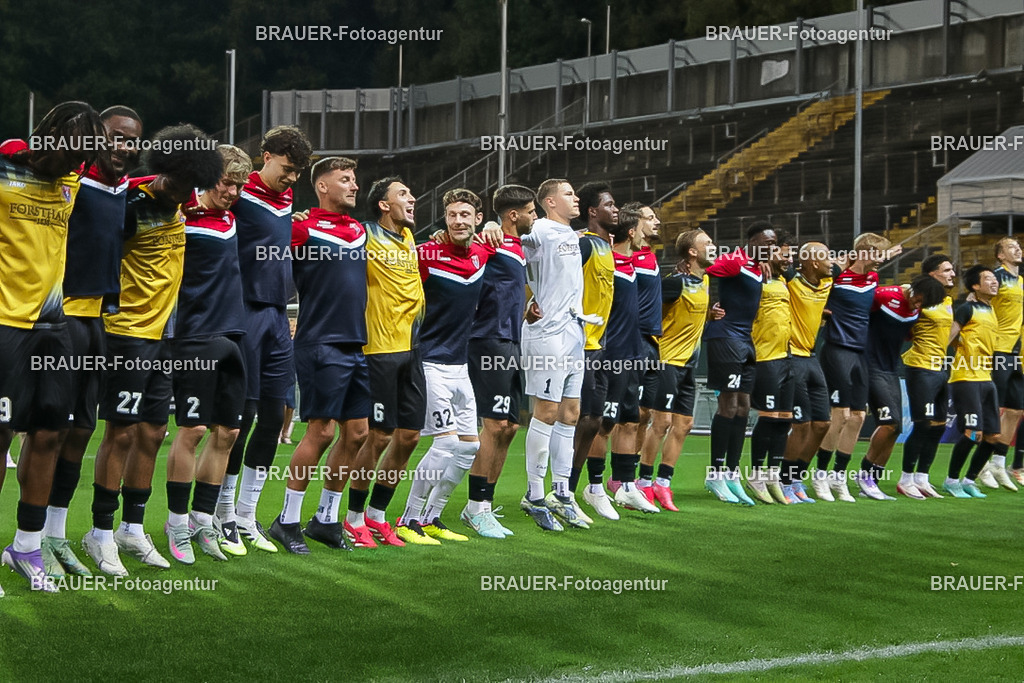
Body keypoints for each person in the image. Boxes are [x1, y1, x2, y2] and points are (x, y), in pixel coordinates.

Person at [82, 124, 222, 576]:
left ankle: (133, 527)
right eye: (180, 185)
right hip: (125, 334)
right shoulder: (131, 206)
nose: (186, 194)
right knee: (120, 433)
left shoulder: (182, 209)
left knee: (153, 434)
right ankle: (100, 532)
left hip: (164, 338)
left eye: (192, 188)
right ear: (163, 172)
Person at [0, 101, 106, 592]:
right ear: (51, 137)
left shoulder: (74, 180)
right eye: (75, 149)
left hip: (52, 326)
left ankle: (25, 546)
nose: (79, 162)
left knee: (48, 435)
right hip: (4, 326)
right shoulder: (5, 163)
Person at [41, 105, 142, 579]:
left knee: (81, 431)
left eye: (132, 140)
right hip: (58, 319)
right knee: (48, 433)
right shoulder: (71, 180)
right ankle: (30, 538)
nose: (125, 147)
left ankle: (57, 535)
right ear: (97, 137)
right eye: (117, 137)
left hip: (98, 323)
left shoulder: (125, 190)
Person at [218, 125, 312, 553]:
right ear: (266, 155)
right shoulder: (238, 194)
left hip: (279, 316)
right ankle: (221, 515)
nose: (292, 179)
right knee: (242, 417)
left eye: (298, 173)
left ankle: (246, 516)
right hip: (246, 312)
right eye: (288, 169)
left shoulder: (286, 198)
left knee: (274, 419)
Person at [268, 156, 368, 554]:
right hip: (319, 341)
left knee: (357, 433)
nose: (354, 185)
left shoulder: (359, 230)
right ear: (322, 186)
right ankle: (287, 520)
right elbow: (269, 259)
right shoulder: (300, 227)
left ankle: (326, 519)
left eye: (355, 179)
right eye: (345, 179)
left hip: (355, 342)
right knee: (322, 430)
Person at [163, 145, 252, 563]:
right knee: (194, 430)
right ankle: (176, 523)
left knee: (228, 433)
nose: (232, 190)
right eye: (225, 182)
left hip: (234, 334)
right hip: (194, 335)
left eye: (237, 184)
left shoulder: (232, 218)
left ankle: (202, 520)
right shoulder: (180, 214)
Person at [396, 188, 490, 545]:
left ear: (477, 219)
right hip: (429, 362)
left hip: (459, 365)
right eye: (452, 215)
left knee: (469, 448)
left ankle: (432, 516)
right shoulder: (426, 254)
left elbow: (512, 237)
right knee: (445, 445)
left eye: (465, 215)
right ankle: (408, 520)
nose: (458, 221)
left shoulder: (483, 252)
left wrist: (496, 226)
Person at [341, 177, 425, 548]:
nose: (412, 198)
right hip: (378, 350)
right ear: (383, 205)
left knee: (409, 436)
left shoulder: (410, 239)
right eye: (403, 194)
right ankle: (352, 518)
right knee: (378, 436)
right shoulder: (365, 235)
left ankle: (377, 516)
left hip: (412, 349)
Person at [461, 184, 536, 538]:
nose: (535, 217)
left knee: (509, 426)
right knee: (492, 426)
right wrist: (483, 227)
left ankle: (484, 504)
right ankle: (476, 508)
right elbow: (458, 249)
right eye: (531, 212)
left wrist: (527, 307)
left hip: (512, 341)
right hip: (486, 340)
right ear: (512, 215)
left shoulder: (519, 248)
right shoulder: (489, 242)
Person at [520, 179, 590, 531]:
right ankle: (534, 495)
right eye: (568, 193)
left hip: (574, 330)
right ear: (549, 201)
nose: (575, 198)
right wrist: (489, 226)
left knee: (571, 412)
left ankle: (562, 493)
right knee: (545, 411)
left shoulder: (568, 234)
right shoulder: (542, 230)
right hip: (546, 333)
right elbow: (514, 244)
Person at [637, 229, 721, 512]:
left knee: (683, 425)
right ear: (692, 252)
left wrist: (709, 315)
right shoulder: (673, 284)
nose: (713, 246)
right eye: (707, 243)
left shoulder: (706, 280)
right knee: (659, 424)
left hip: (689, 364)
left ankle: (663, 483)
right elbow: (651, 314)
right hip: (667, 362)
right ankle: (643, 483)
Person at [816, 233, 896, 502]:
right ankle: (820, 477)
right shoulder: (836, 277)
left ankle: (839, 477)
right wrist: (823, 312)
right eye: (878, 253)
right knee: (839, 415)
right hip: (837, 348)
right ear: (866, 252)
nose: (881, 258)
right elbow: (813, 296)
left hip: (860, 352)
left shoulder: (873, 278)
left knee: (858, 418)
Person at [590, 205, 658, 513]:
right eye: (643, 226)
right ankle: (594, 487)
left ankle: (626, 485)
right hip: (612, 354)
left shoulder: (631, 262)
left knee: (631, 419)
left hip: (634, 353)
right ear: (631, 232)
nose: (648, 231)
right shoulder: (607, 261)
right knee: (605, 423)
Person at [702, 222, 775, 505]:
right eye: (766, 242)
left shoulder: (758, 267)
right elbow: (702, 270)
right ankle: (715, 473)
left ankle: (732, 473)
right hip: (725, 338)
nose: (771, 247)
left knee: (744, 407)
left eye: (774, 243)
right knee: (729, 405)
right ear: (752, 241)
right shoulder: (734, 261)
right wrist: (707, 309)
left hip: (746, 341)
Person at [856, 275, 945, 500]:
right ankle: (864, 474)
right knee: (888, 423)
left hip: (891, 369)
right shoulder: (885, 295)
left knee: (896, 428)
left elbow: (905, 334)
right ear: (913, 288)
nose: (918, 305)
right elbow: (856, 310)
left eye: (923, 305)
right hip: (870, 365)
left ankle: (872, 481)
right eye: (918, 299)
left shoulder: (916, 309)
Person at [567, 182, 616, 525]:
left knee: (595, 421)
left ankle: (569, 490)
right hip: (578, 345)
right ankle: (559, 490)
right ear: (592, 211)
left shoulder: (604, 246)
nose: (616, 209)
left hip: (599, 346)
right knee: (575, 420)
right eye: (609, 204)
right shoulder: (583, 245)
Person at [898, 255, 957, 498]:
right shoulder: (912, 293)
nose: (952, 274)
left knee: (938, 426)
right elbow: (901, 309)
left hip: (940, 368)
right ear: (932, 273)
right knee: (922, 424)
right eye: (947, 270)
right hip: (920, 367)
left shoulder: (947, 300)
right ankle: (905, 479)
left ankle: (922, 478)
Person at [781, 242, 834, 504]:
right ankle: (785, 481)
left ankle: (797, 478)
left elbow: (854, 265)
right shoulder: (791, 280)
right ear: (813, 262)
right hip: (792, 356)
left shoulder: (827, 281)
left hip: (812, 357)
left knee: (823, 423)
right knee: (801, 425)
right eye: (826, 257)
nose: (831, 262)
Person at [944, 265, 1002, 499]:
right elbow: (948, 337)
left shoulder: (991, 310)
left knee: (992, 437)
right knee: (971, 432)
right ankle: (951, 480)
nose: (995, 282)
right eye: (988, 279)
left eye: (995, 278)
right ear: (975, 286)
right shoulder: (967, 309)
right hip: (966, 378)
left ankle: (969, 480)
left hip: (986, 378)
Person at [747, 233, 795, 504]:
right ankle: (755, 474)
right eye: (783, 253)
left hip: (786, 356)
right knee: (768, 418)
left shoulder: (783, 280)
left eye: (790, 254)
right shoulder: (756, 276)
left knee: (784, 419)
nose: (788, 259)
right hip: (764, 357)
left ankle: (772, 474)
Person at [980, 238, 1023, 490]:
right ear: (999, 255)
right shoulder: (995, 278)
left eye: (1019, 246)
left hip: (1017, 352)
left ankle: (998, 461)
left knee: (1016, 410)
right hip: (998, 349)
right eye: (1011, 247)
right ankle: (982, 463)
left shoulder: (1020, 281)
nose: (1018, 249)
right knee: (994, 409)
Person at [629, 204, 663, 496]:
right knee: (623, 414)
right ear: (635, 221)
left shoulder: (650, 256)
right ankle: (611, 479)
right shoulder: (623, 253)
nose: (657, 221)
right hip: (630, 340)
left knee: (644, 413)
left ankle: (632, 478)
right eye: (650, 218)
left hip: (652, 342)